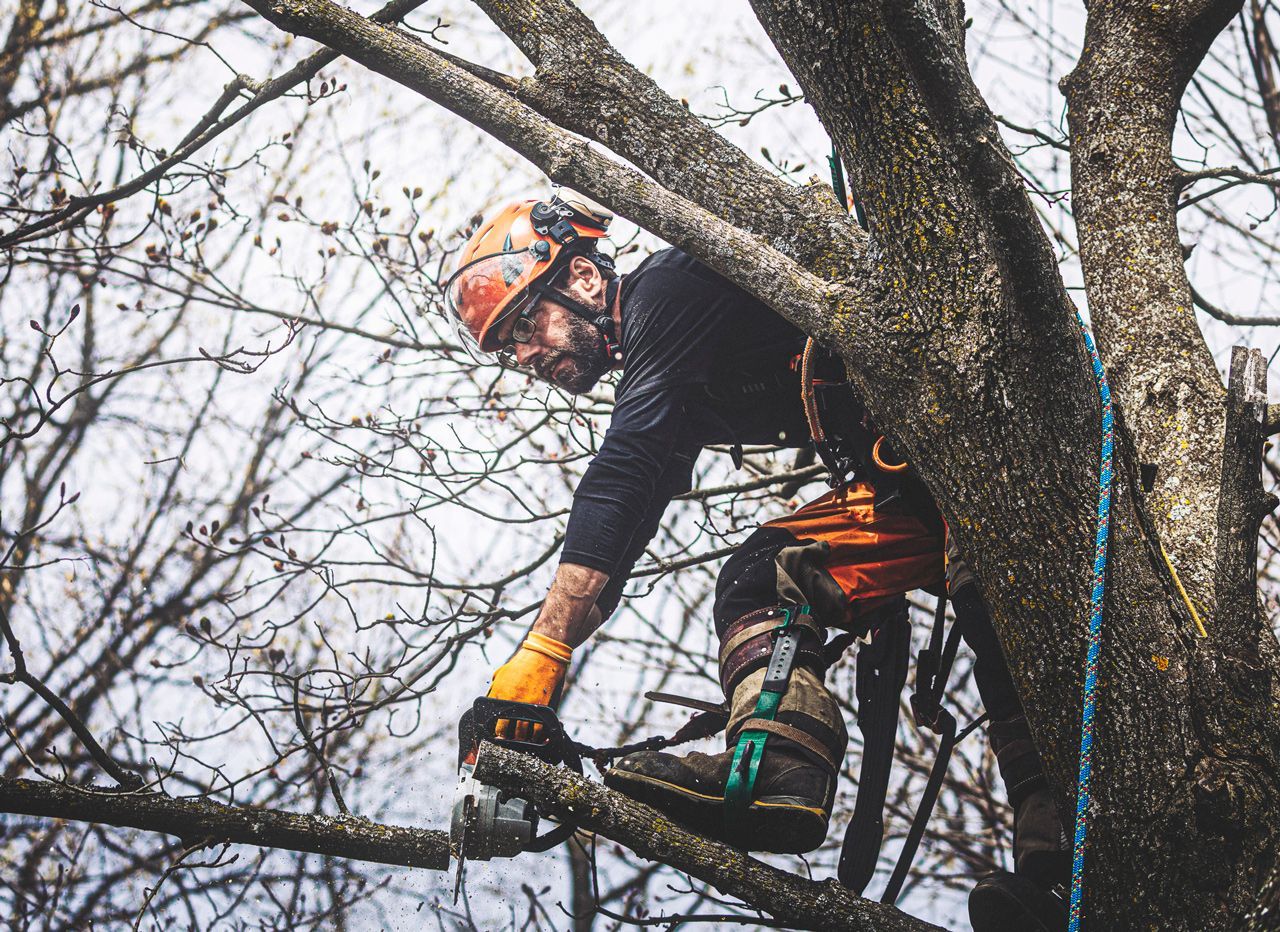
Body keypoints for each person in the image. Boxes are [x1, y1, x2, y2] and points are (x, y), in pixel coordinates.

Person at [445, 193, 1067, 928]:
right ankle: (776, 769)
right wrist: (543, 671)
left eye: (525, 325)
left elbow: (626, 461)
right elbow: (633, 508)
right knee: (762, 579)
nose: (525, 357)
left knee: (996, 598)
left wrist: (544, 649)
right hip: (914, 483)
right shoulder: (679, 367)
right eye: (510, 349)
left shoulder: (671, 290)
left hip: (985, 441)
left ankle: (1057, 860)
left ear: (582, 278)